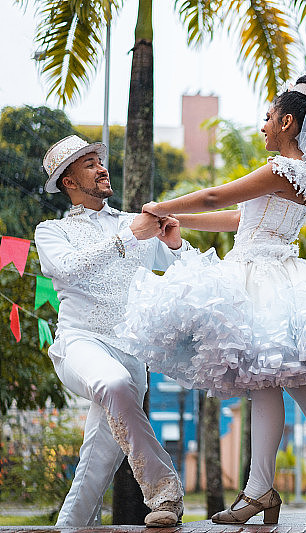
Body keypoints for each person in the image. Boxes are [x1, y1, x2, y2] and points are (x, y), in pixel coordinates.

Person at [114, 75, 306, 524]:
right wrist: (178, 220)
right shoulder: (300, 176)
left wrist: (161, 207)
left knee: (277, 383)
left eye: (268, 118)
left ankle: (268, 491)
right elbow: (238, 217)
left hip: (262, 279)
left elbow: (215, 194)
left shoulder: (281, 170)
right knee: (285, 383)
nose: (263, 127)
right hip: (271, 273)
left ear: (288, 121)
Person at [34, 135, 190, 527]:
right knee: (114, 382)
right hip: (79, 343)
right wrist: (128, 237)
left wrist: (174, 246)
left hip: (132, 351)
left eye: (99, 161)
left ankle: (68, 527)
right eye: (88, 164)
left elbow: (183, 276)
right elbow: (65, 268)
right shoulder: (51, 231)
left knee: (95, 466)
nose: (102, 168)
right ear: (68, 182)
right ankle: (165, 489)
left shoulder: (132, 223)